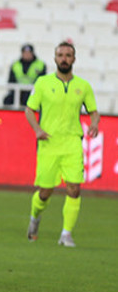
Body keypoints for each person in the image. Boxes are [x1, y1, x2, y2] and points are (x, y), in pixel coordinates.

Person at [25, 42, 99, 247]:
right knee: (45, 192)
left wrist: (94, 123)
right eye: (60, 55)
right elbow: (29, 109)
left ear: (74, 59)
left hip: (73, 143)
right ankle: (35, 217)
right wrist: (37, 130)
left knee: (74, 189)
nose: (64, 58)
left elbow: (93, 111)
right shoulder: (42, 83)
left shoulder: (83, 86)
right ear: (55, 58)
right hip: (49, 143)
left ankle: (66, 234)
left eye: (68, 55)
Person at [3, 43, 46, 107]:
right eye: (25, 52)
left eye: (29, 52)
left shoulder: (40, 64)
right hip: (18, 92)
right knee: (7, 100)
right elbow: (11, 81)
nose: (27, 54)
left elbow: (41, 82)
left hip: (32, 92)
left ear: (32, 53)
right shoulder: (15, 64)